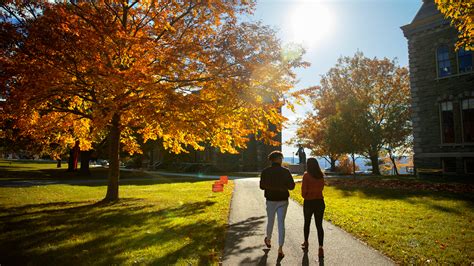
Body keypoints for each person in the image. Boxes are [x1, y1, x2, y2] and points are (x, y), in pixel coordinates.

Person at [260, 150, 295, 258]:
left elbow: (262, 186)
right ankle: (280, 248)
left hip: (270, 199)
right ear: (277, 159)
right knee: (281, 224)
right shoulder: (286, 171)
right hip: (283, 200)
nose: (281, 159)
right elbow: (292, 186)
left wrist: (272, 187)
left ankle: (269, 239)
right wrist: (282, 187)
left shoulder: (265, 171)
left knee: (270, 220)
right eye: (281, 158)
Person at [301, 157, 326, 257]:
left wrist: (307, 195)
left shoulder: (306, 175)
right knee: (319, 225)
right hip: (320, 202)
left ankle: (306, 242)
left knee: (307, 223)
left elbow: (303, 192)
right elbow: (322, 188)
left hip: (309, 202)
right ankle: (320, 248)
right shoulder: (321, 175)